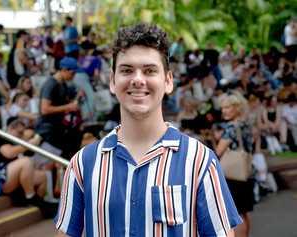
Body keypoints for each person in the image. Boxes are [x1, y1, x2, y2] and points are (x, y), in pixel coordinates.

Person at [55, 23, 241, 237]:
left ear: (168, 81)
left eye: (150, 70)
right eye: (126, 70)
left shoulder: (199, 161)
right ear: (112, 81)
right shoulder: (82, 164)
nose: (137, 79)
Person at [215, 91, 254, 237]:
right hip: (246, 173)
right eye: (223, 108)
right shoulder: (245, 125)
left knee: (236, 214)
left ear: (237, 108)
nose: (224, 111)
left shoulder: (231, 128)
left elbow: (218, 152)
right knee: (243, 213)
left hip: (234, 176)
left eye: (228, 107)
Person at [0, 118, 46, 204]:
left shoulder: (17, 141)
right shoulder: (1, 137)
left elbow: (30, 155)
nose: (21, 136)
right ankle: (31, 197)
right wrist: (30, 144)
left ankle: (38, 205)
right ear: (11, 128)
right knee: (25, 161)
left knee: (42, 177)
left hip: (11, 176)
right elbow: (9, 153)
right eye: (19, 133)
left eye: (22, 133)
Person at [35, 57, 81, 158]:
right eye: (72, 73)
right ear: (64, 70)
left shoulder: (63, 84)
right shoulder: (50, 84)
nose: (74, 76)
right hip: (47, 130)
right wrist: (68, 107)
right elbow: (44, 109)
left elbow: (63, 103)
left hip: (58, 128)